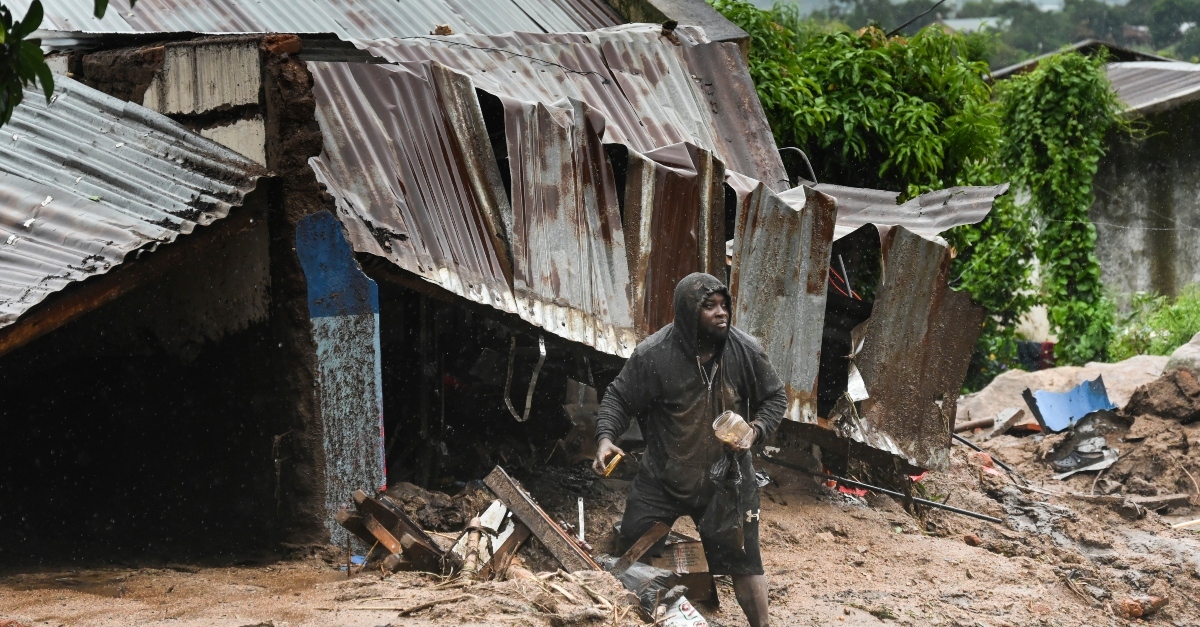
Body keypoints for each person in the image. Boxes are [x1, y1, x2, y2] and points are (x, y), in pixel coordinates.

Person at [593, 272, 786, 627]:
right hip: (664, 477)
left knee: (745, 560)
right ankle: (643, 616)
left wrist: (756, 430)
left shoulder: (745, 350)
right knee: (632, 550)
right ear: (686, 314)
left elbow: (775, 397)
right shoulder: (655, 355)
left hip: (727, 480)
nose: (721, 313)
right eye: (708, 306)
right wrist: (606, 437)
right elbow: (618, 398)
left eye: (723, 305)